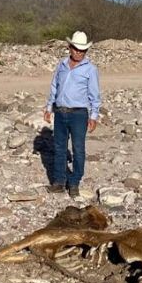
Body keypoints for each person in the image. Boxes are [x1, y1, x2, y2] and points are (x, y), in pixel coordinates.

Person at [43, 31, 101, 197]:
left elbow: (94, 95)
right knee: (60, 148)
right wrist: (48, 107)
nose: (79, 53)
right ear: (69, 47)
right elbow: (55, 86)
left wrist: (94, 116)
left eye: (82, 50)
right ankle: (59, 182)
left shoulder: (90, 69)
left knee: (78, 149)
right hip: (60, 112)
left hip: (79, 114)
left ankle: (74, 182)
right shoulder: (61, 65)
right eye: (76, 49)